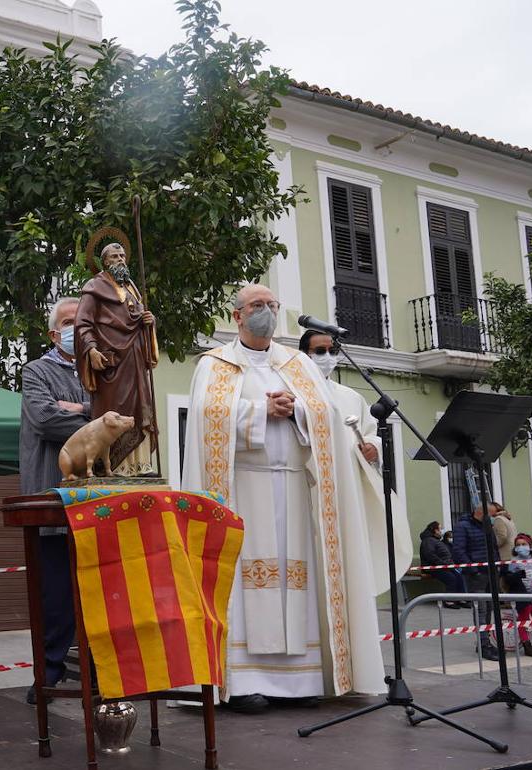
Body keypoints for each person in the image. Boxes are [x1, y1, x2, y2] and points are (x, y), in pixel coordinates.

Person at [183, 283, 399, 714]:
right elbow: (208, 415)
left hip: (294, 490)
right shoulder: (216, 363)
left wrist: (296, 408)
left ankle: (301, 681)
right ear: (237, 315)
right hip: (241, 489)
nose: (265, 311)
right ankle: (244, 682)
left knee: (297, 579)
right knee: (246, 583)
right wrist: (261, 410)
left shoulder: (297, 364)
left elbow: (325, 413)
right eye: (256, 305)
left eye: (271, 305)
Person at [19, 297, 92, 705]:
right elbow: (47, 420)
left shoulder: (100, 369)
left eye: (82, 322)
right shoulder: (35, 371)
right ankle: (47, 672)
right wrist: (97, 417)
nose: (76, 328)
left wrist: (81, 407)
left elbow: (122, 411)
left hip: (96, 501)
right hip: (51, 499)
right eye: (68, 322)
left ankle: (97, 672)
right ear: (53, 333)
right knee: (55, 596)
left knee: (97, 590)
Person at [74, 242, 159, 475]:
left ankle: (140, 465)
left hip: (135, 359)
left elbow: (137, 318)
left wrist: (148, 323)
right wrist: (91, 349)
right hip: (112, 364)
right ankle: (115, 465)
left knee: (139, 409)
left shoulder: (132, 288)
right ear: (105, 262)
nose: (121, 259)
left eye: (122, 255)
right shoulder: (94, 287)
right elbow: (82, 323)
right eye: (114, 256)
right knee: (115, 411)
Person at [297, 331, 380, 467]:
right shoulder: (292, 393)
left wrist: (372, 447)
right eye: (320, 351)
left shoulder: (353, 397)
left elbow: (370, 433)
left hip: (349, 472)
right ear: (304, 355)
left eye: (333, 351)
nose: (328, 356)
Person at [452, 503, 501, 662]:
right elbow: (459, 550)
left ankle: (485, 641)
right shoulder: (463, 526)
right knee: (480, 609)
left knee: (488, 609)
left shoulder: (487, 526)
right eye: (492, 515)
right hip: (476, 574)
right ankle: (483, 645)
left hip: (491, 572)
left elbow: (494, 548)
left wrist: (498, 565)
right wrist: (473, 569)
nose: (494, 518)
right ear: (481, 513)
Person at [418, 521, 468, 609]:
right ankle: (448, 601)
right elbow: (430, 555)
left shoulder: (434, 540)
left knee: (459, 576)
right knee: (451, 578)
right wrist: (443, 564)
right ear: (434, 530)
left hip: (444, 566)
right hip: (434, 567)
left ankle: (460, 599)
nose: (441, 532)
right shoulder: (428, 541)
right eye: (439, 529)